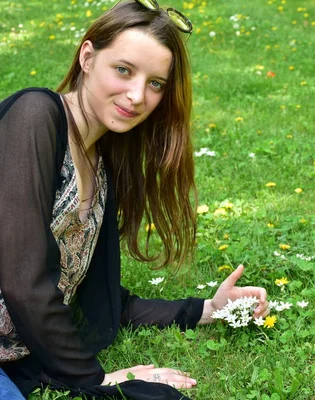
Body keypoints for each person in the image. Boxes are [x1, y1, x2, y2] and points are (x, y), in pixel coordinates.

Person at [0, 1, 269, 398]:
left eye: (156, 83)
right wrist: (95, 380)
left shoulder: (103, 164)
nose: (137, 95)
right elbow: (24, 283)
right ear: (88, 57)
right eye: (123, 70)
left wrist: (210, 309)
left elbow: (103, 300)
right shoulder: (36, 117)